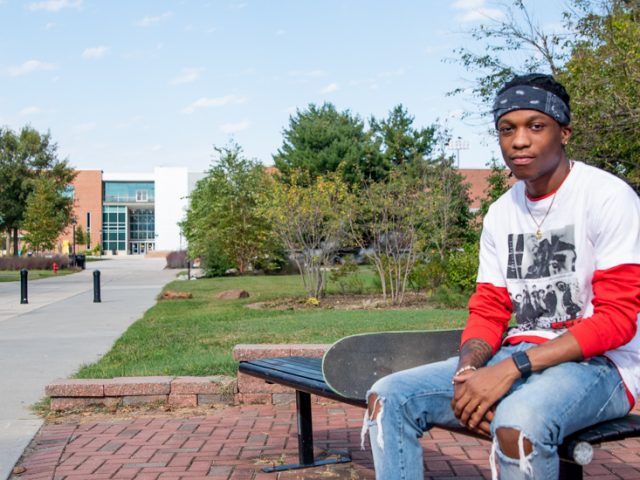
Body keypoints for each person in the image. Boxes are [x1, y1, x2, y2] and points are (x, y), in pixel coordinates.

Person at [362, 73, 640, 479]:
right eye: (507, 129)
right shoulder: (499, 213)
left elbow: (617, 320)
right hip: (519, 355)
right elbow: (490, 308)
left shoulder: (609, 197)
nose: (519, 140)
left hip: (602, 366)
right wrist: (469, 374)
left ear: (564, 132)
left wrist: (510, 371)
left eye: (536, 126)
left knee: (517, 423)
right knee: (388, 398)